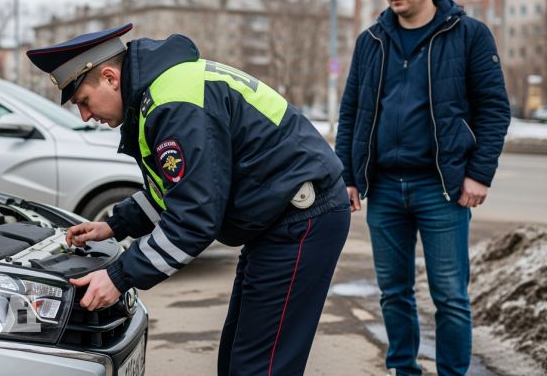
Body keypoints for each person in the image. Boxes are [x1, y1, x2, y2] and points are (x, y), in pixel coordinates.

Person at [26, 24, 351, 375]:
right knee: (237, 358)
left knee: (260, 366)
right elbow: (179, 188)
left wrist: (119, 277)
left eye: (84, 101)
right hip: (277, 219)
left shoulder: (174, 103)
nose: (85, 116)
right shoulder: (161, 91)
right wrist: (115, 225)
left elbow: (194, 219)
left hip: (301, 218)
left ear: (110, 77)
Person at [335, 0, 511, 376]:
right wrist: (347, 176)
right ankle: (404, 370)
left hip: (442, 188)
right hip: (384, 188)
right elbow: (351, 111)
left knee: (450, 296)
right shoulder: (370, 41)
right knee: (393, 293)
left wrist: (479, 174)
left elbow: (494, 109)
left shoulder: (469, 35)